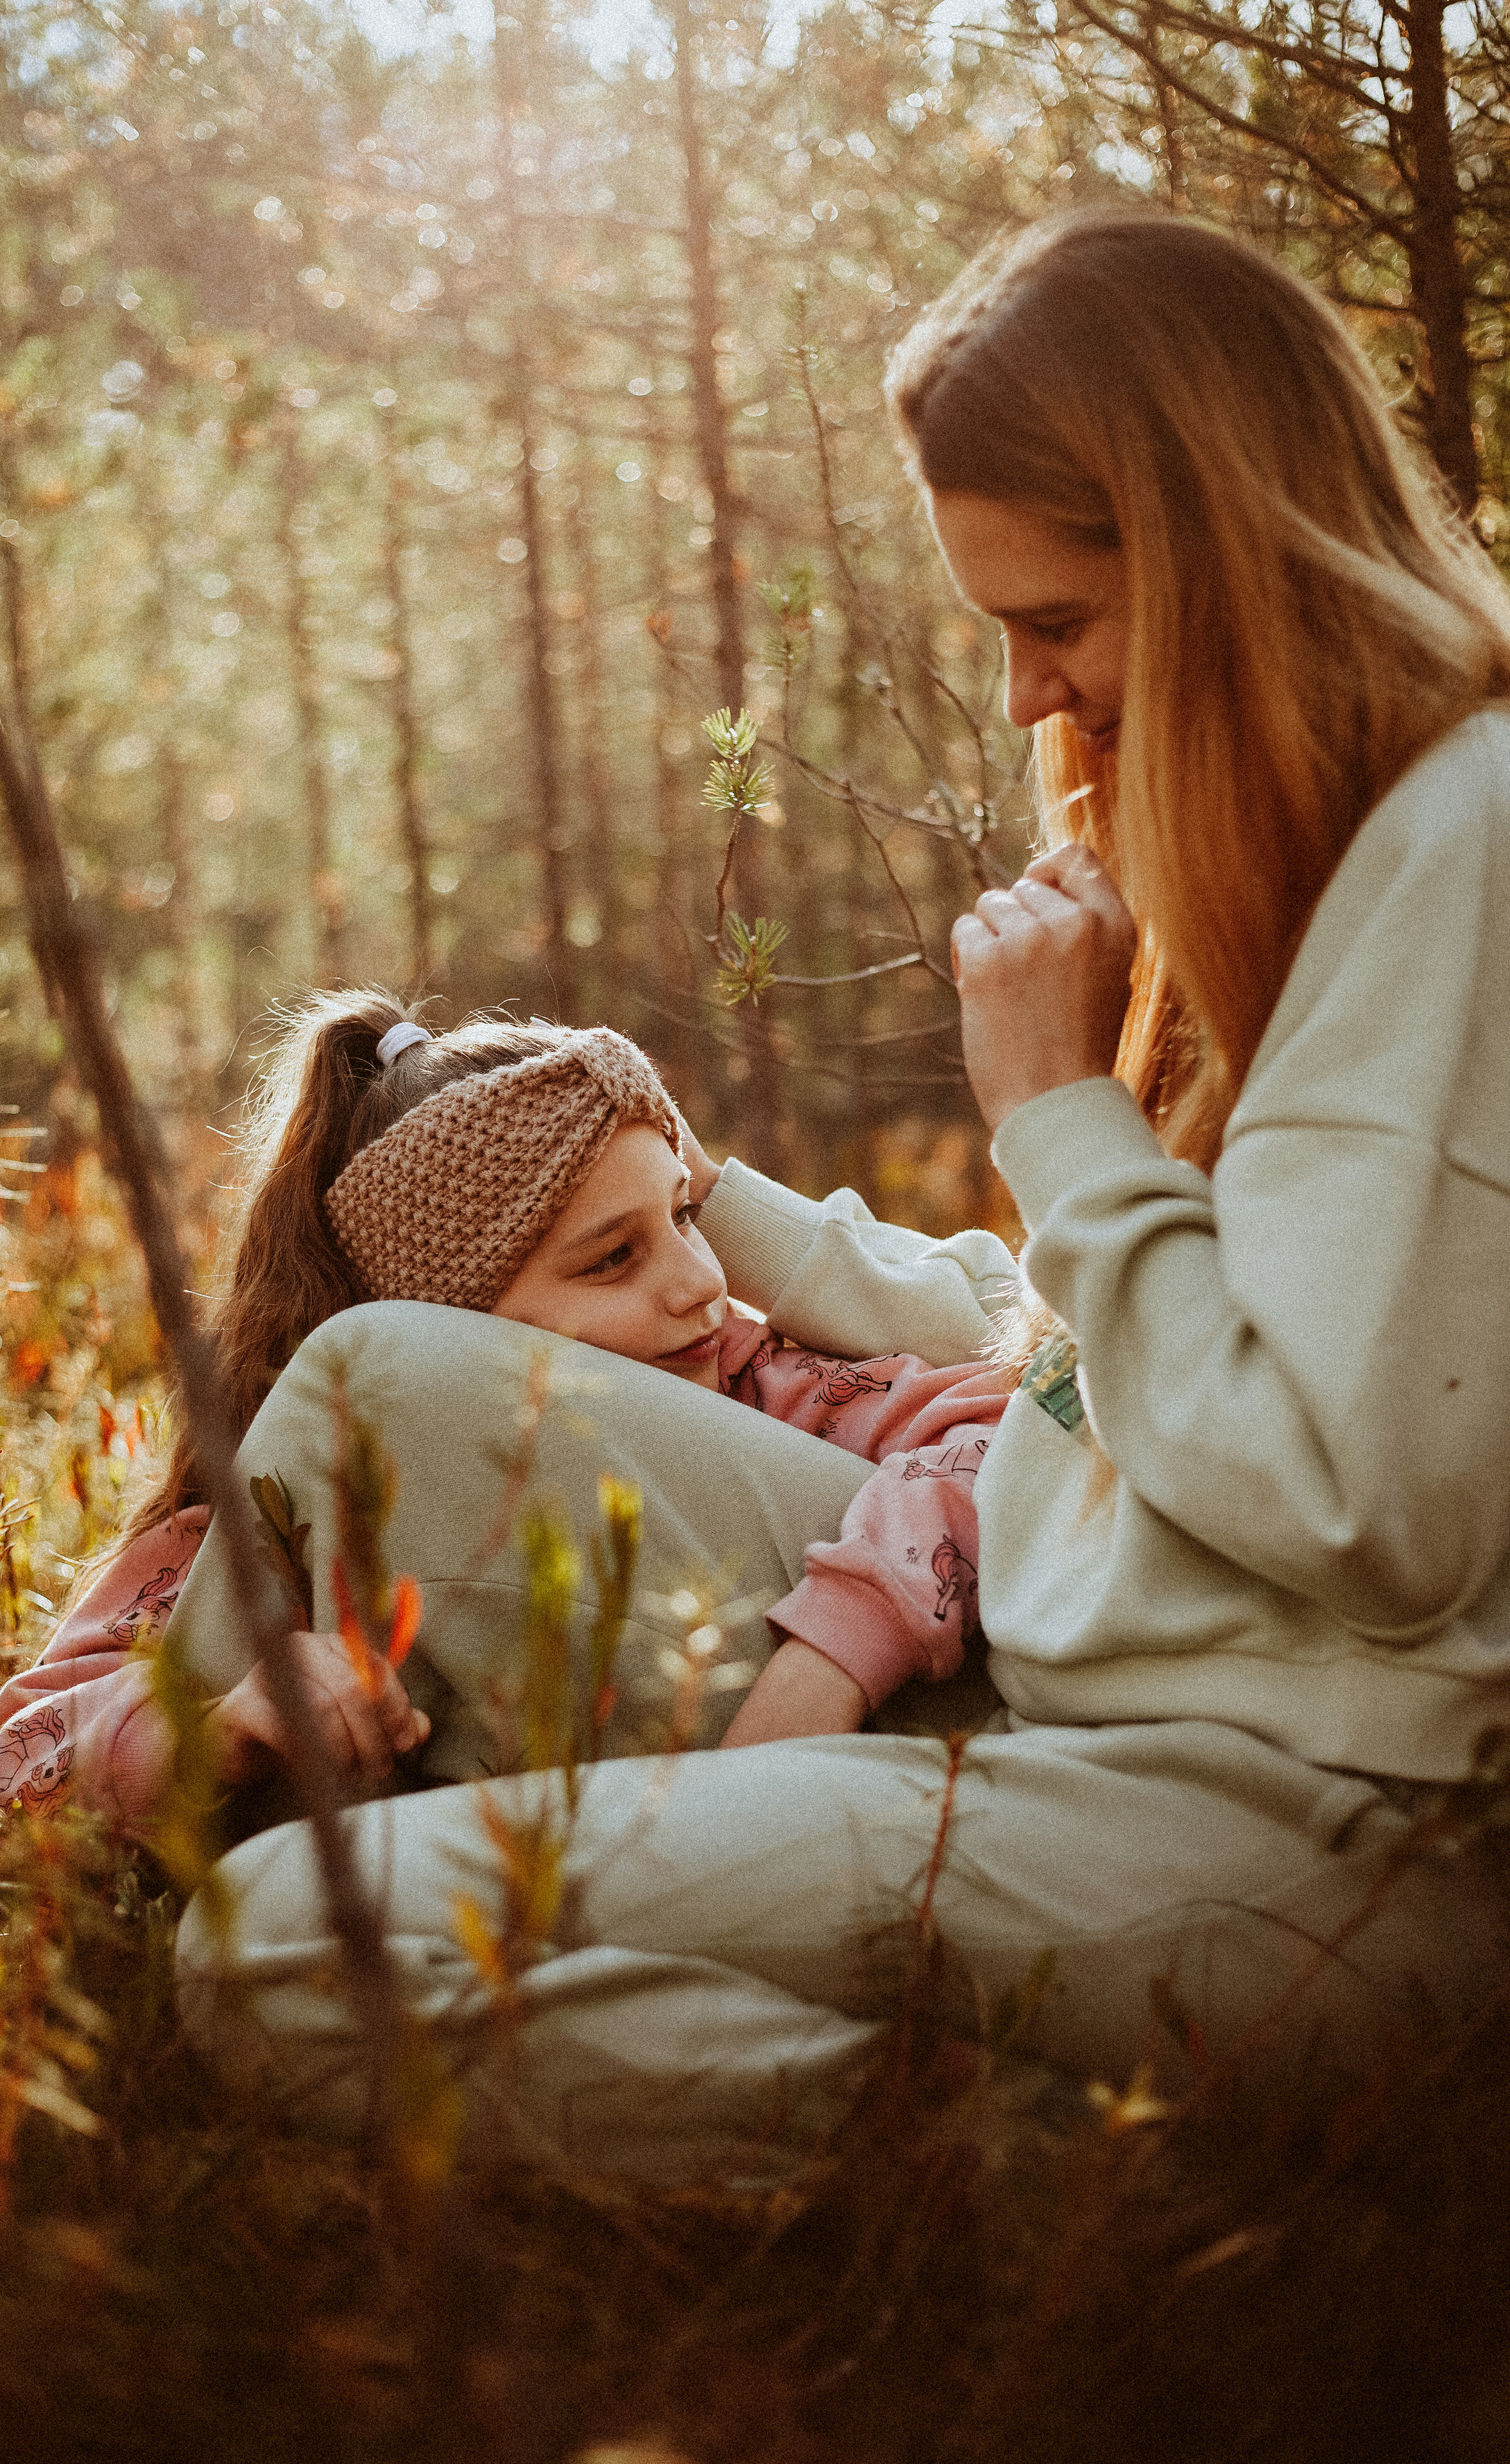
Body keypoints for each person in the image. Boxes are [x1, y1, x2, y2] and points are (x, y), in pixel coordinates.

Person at [173, 205, 1510, 2186]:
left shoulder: (1465, 855)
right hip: (1059, 1650)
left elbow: (1362, 1515)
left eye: (1056, 623)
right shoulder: (1295, 855)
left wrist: (1062, 1113)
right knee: (372, 1392)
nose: (1036, 700)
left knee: (277, 1950)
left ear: (1226, 552)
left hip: (1284, 1814)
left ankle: (1044, 2186)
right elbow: (1100, 1377)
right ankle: (221, 1766)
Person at [0, 1012, 1007, 1828]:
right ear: (453, 1342)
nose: (700, 1281)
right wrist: (224, 1730)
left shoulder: (766, 1374)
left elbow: (1006, 1431)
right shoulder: (292, 1505)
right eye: (614, 1257)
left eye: (683, 1216)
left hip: (888, 1779)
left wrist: (839, 1643)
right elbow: (2, 1780)